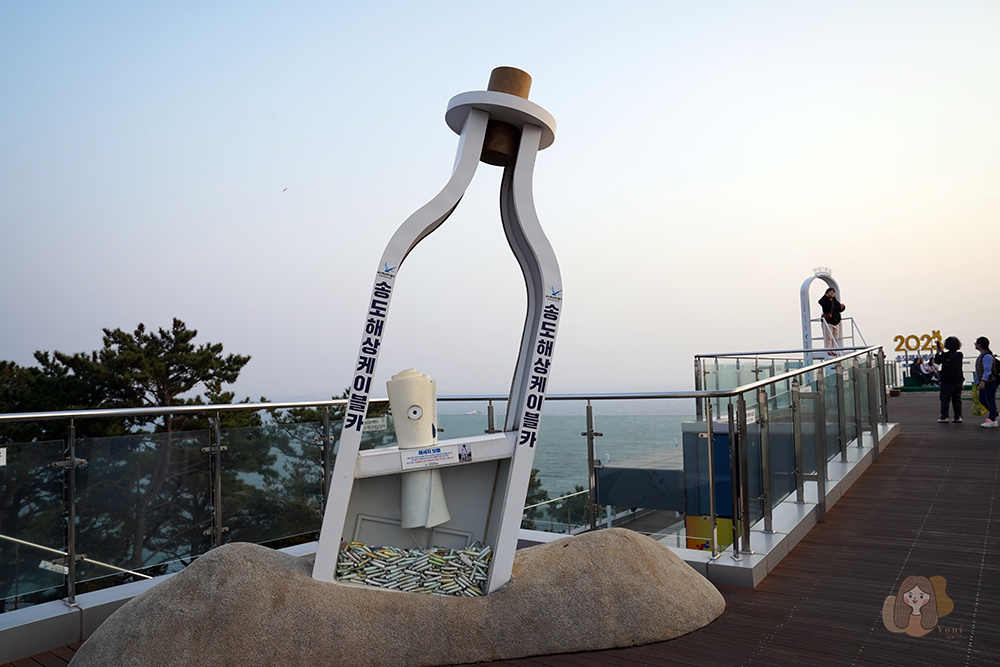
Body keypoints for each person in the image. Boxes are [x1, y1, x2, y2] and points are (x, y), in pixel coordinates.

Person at [934, 337, 963, 423]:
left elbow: (937, 361)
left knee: (945, 399)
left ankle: (944, 417)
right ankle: (958, 417)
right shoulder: (960, 355)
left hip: (947, 381)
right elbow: (948, 357)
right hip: (958, 380)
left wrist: (938, 353)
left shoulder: (945, 355)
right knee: (957, 399)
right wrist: (942, 353)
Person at [973, 336, 998, 428]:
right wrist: (977, 382)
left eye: (976, 343)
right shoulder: (983, 355)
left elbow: (987, 370)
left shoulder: (987, 356)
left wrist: (983, 381)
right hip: (985, 382)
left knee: (989, 399)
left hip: (990, 382)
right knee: (983, 399)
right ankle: (994, 414)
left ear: (979, 345)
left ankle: (992, 420)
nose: (975, 344)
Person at [817, 288, 846, 355]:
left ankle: (833, 349)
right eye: (831, 292)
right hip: (828, 321)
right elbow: (820, 302)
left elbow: (839, 309)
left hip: (835, 322)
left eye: (833, 292)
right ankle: (828, 350)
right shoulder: (825, 301)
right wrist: (825, 296)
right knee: (828, 337)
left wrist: (843, 307)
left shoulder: (835, 302)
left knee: (835, 337)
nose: (833, 293)